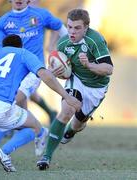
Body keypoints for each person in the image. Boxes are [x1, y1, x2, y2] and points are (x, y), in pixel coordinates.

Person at [0, 34, 80, 172]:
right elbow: (45, 75)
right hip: (0, 108)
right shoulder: (24, 53)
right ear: (20, 46)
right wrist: (67, 97)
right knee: (35, 128)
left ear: (4, 46)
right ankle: (3, 152)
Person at [0, 0, 68, 163]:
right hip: (14, 72)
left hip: (34, 70)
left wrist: (57, 48)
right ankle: (39, 132)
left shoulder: (41, 15)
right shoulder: (3, 21)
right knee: (17, 114)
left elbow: (60, 27)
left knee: (9, 104)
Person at [37, 8, 114, 170]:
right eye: (70, 27)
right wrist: (55, 71)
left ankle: (72, 130)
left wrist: (89, 65)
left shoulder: (95, 40)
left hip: (97, 88)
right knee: (66, 111)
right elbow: (62, 70)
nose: (72, 31)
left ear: (86, 27)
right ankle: (46, 157)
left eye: (77, 28)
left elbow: (108, 69)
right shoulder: (64, 43)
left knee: (77, 124)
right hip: (77, 80)